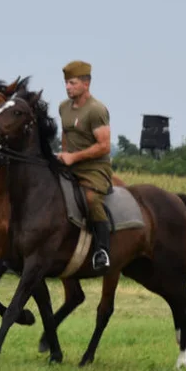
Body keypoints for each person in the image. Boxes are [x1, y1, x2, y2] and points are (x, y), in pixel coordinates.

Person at [58, 60, 114, 271]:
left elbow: (104, 146)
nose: (67, 87)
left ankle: (102, 251)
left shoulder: (96, 110)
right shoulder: (63, 107)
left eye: (72, 83)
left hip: (94, 169)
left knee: (90, 199)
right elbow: (65, 134)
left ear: (85, 84)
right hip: (70, 165)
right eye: (66, 83)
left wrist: (74, 158)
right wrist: (64, 156)